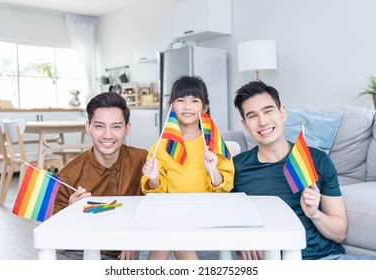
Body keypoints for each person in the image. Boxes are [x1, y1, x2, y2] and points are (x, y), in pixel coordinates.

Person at [232, 80, 376, 260]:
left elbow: (340, 233)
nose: (262, 122)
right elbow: (223, 219)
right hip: (275, 264)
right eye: (252, 116)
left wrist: (315, 214)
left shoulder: (317, 160)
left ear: (282, 113)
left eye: (268, 111)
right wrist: (241, 241)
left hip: (326, 259)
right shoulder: (236, 168)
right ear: (245, 124)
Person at [141, 75, 235, 260]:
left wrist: (213, 170)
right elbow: (156, 193)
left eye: (195, 100)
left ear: (204, 107)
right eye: (181, 100)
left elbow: (225, 187)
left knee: (173, 236)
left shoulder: (213, 143)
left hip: (206, 213)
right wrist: (153, 178)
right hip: (171, 213)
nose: (187, 106)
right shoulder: (161, 145)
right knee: (170, 234)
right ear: (171, 106)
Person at [53, 91, 148, 260]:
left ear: (127, 129)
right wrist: (71, 214)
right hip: (87, 253)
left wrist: (135, 239)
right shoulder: (68, 175)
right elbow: (57, 246)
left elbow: (160, 213)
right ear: (88, 127)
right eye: (99, 126)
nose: (108, 135)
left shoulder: (143, 161)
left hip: (136, 249)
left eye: (116, 127)